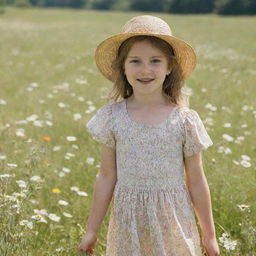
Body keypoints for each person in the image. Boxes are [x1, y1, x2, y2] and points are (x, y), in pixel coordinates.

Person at [78, 15, 220, 256]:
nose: (145, 69)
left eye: (155, 60)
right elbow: (106, 176)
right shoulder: (113, 117)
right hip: (128, 224)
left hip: (173, 221)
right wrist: (92, 230)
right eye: (135, 61)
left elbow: (196, 180)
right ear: (122, 68)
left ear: (169, 66)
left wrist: (209, 236)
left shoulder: (184, 121)